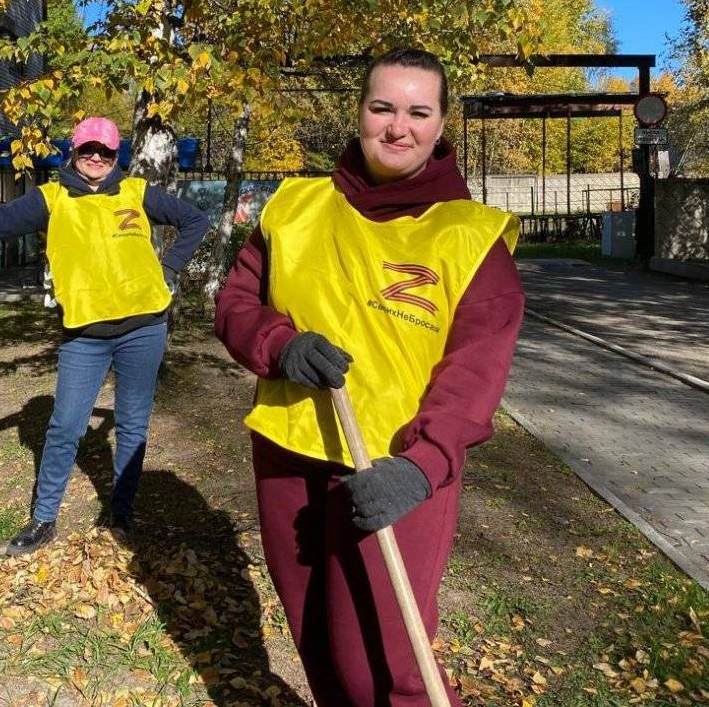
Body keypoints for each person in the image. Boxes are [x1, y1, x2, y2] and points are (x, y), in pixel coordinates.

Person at [214, 48, 525, 706]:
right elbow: (235, 304)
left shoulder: (470, 236)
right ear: (358, 113)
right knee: (316, 641)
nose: (397, 126)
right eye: (382, 107)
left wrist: (422, 466)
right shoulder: (294, 206)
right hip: (286, 449)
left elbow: (477, 368)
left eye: (418, 111)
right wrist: (279, 343)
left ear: (441, 125)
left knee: (383, 668)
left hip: (396, 470)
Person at [0, 116, 209, 555]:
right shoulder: (52, 198)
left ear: (115, 154)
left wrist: (169, 268)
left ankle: (121, 515)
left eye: (105, 151)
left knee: (131, 423)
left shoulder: (135, 191)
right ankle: (43, 519)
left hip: (145, 327)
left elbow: (195, 221)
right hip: (85, 335)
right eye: (88, 148)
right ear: (74, 149)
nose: (96, 158)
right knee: (65, 425)